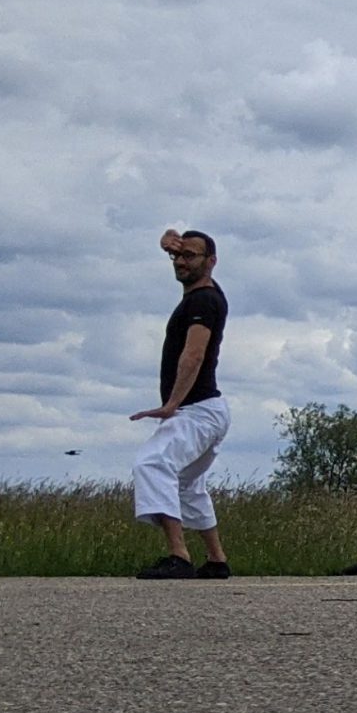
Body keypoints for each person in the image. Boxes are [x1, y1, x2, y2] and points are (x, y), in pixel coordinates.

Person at [129, 229, 233, 580]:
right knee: (187, 485)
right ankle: (216, 560)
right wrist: (167, 244)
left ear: (212, 261)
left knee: (152, 463)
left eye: (190, 256)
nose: (181, 261)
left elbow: (194, 354)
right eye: (178, 256)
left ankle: (179, 556)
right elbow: (176, 246)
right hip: (210, 411)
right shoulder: (206, 296)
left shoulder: (203, 301)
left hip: (196, 410)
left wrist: (171, 404)